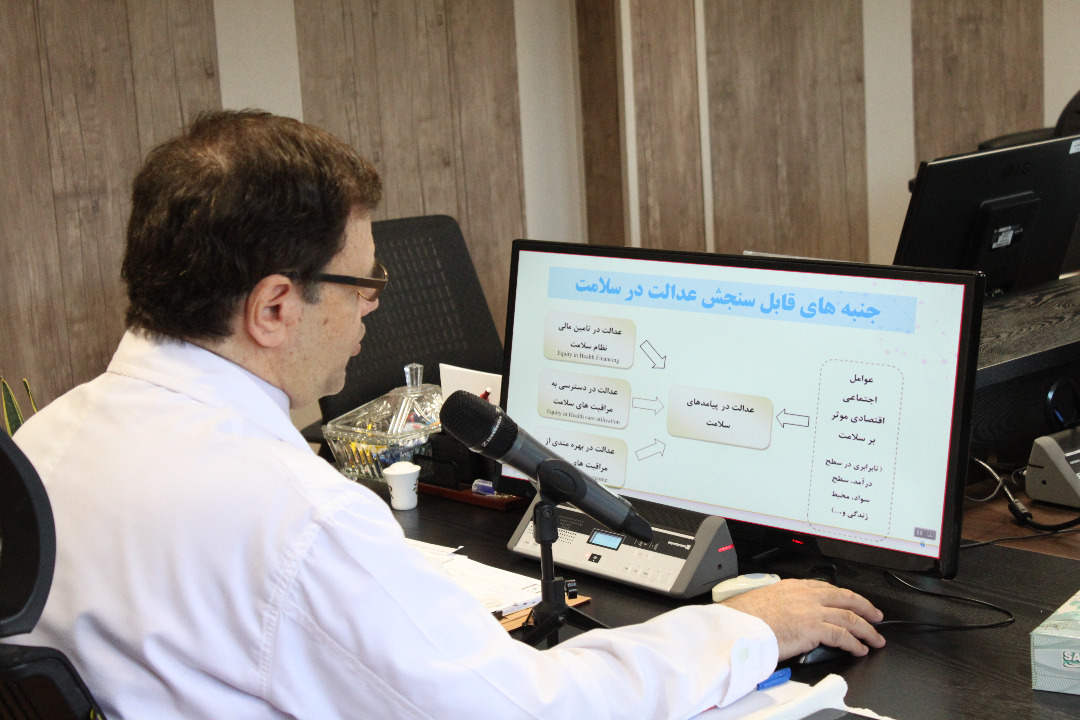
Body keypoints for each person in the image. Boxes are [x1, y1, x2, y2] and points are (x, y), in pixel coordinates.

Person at [14, 110, 884, 720]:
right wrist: (743, 630)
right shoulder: (297, 521)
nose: (371, 308)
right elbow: (527, 711)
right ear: (274, 307)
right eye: (363, 284)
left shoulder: (45, 440)